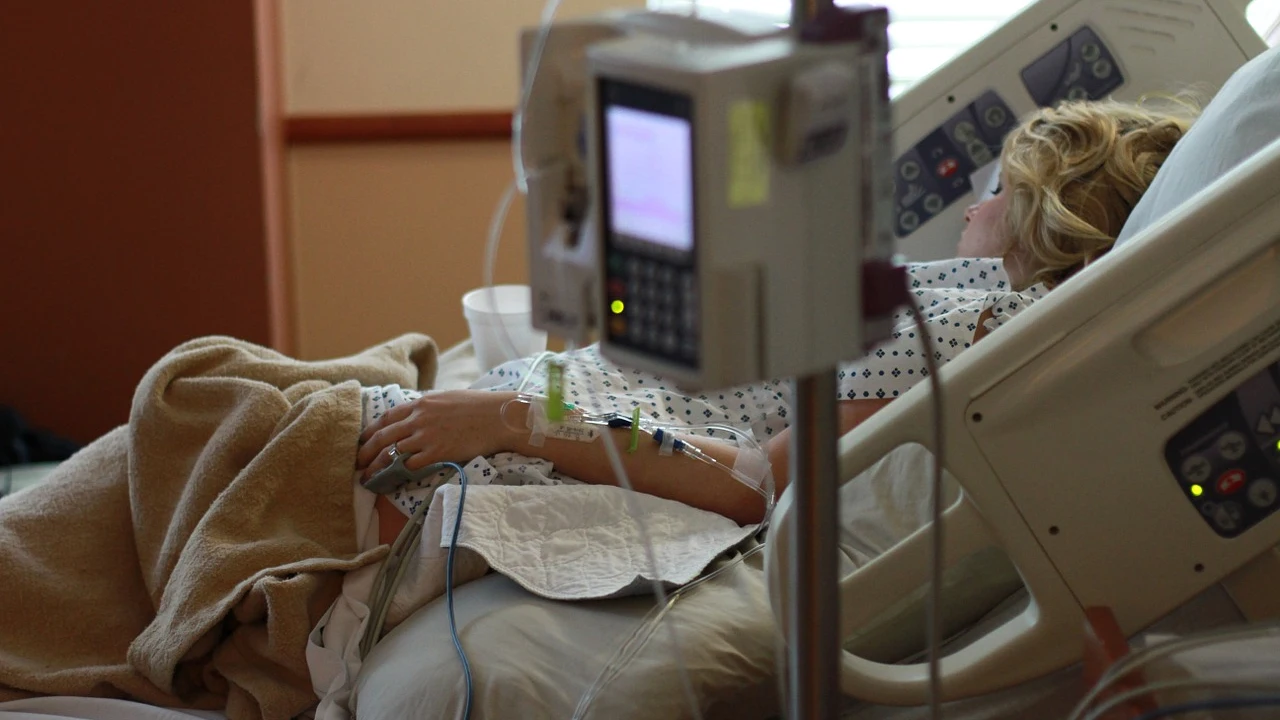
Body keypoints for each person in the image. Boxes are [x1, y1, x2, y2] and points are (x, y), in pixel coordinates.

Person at [357, 98, 1197, 545]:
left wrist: (512, 419)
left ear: (1044, 221)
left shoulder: (980, 327)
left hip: (534, 447)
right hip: (564, 396)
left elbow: (753, 482)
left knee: (246, 409)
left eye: (999, 191)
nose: (975, 204)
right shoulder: (954, 297)